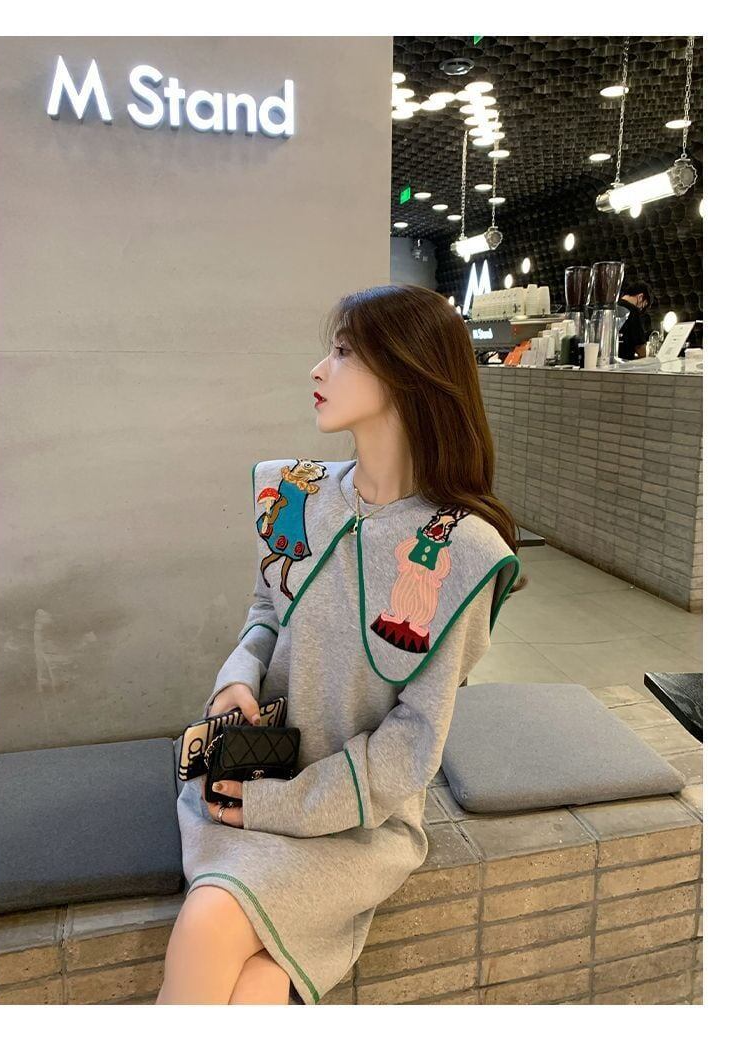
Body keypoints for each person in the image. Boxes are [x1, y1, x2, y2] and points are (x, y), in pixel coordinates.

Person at [158, 284, 523, 1005]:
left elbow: (412, 744)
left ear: (410, 373)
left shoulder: (465, 553)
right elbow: (267, 609)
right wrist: (238, 677)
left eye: (345, 353)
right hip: (250, 778)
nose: (319, 369)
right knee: (256, 987)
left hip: (356, 820)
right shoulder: (296, 492)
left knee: (209, 925)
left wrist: (275, 809)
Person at [617, 280, 653, 360]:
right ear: (640, 297)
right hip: (625, 364)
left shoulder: (613, 307)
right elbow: (640, 349)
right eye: (643, 306)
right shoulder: (633, 311)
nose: (641, 309)